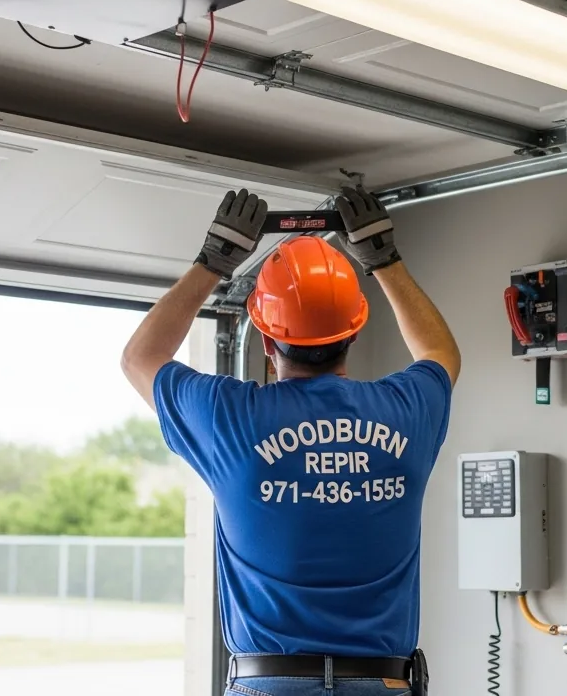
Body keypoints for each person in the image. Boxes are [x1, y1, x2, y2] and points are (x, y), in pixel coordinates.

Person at [121, 185, 461, 696]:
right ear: (354, 331)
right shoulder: (407, 412)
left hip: (270, 685)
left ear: (265, 338)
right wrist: (383, 258)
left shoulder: (230, 418)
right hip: (381, 684)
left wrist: (213, 262)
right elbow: (439, 352)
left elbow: (139, 359)